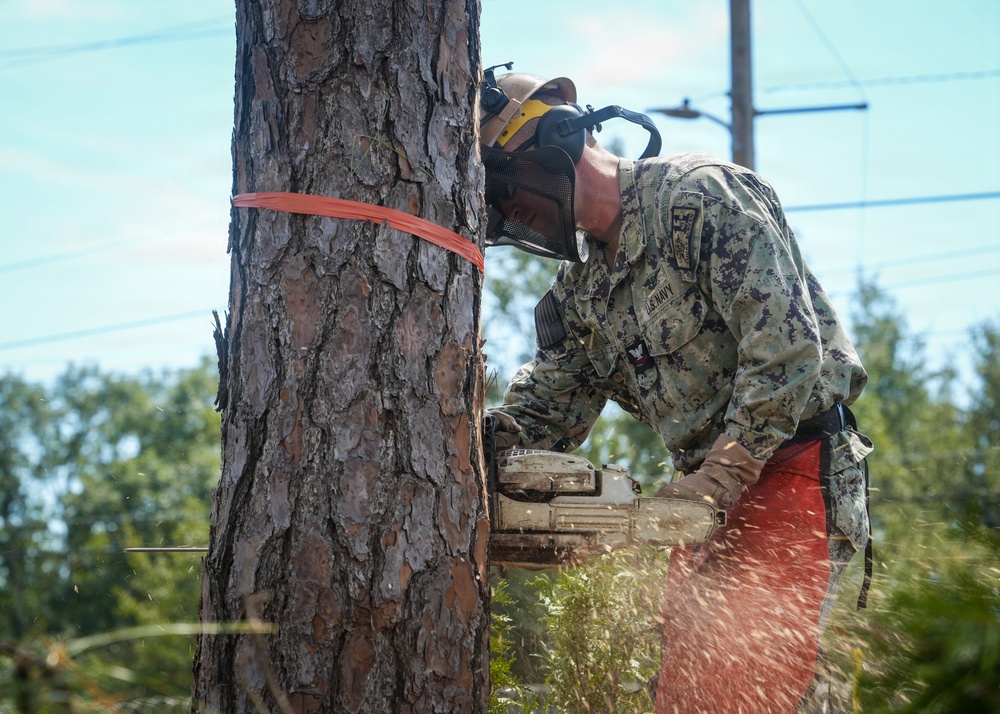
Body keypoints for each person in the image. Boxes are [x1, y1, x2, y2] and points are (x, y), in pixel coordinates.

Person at [479, 66, 874, 713]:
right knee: (690, 693)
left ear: (553, 140)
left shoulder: (696, 199)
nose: (508, 208)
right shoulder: (583, 294)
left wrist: (723, 475)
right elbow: (548, 403)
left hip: (790, 463)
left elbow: (787, 348)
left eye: (505, 184)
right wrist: (485, 450)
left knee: (744, 689)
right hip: (700, 495)